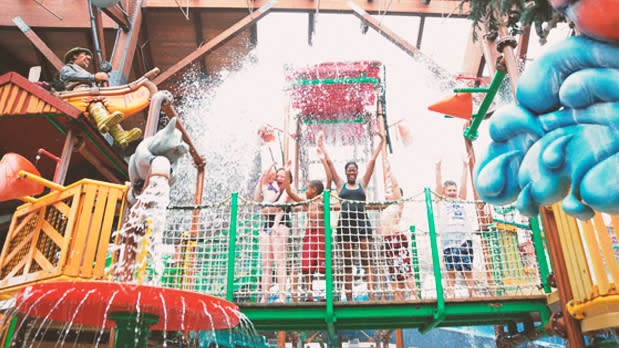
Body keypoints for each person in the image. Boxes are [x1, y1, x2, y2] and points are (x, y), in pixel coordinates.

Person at [318, 132, 385, 302]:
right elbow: (331, 164)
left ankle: (371, 297)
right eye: (349, 170)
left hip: (362, 224)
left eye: (354, 170)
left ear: (357, 171)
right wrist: (321, 146)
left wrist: (381, 141)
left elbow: (371, 162)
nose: (352, 172)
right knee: (348, 264)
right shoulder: (340, 184)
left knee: (367, 261)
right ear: (346, 173)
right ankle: (348, 299)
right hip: (346, 225)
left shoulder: (362, 183)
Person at [57, 47, 142, 147]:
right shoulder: (68, 68)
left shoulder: (84, 72)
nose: (88, 58)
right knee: (95, 104)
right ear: (75, 56)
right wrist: (94, 77)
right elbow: (67, 76)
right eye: (85, 54)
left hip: (89, 93)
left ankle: (120, 134)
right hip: (78, 93)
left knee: (104, 110)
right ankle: (103, 121)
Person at [282, 146, 331, 301]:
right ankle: (310, 294)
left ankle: (328, 294)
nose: (305, 189)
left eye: (308, 187)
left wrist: (323, 159)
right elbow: (289, 192)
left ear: (315, 190)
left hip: (322, 232)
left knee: (324, 266)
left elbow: (329, 179)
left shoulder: (323, 199)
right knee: (307, 265)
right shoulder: (307, 202)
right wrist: (287, 172)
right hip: (310, 232)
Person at [434, 157, 475, 298]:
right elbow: (438, 188)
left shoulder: (460, 200)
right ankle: (450, 294)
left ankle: (472, 293)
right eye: (449, 190)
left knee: (467, 269)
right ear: (445, 192)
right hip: (449, 240)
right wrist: (438, 167)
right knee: (450, 270)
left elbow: (464, 188)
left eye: (454, 190)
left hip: (464, 238)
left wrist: (465, 166)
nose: (452, 192)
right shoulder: (442, 201)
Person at [378, 158, 417, 301]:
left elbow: (395, 185)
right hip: (388, 241)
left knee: (405, 268)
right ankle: (400, 296)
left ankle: (413, 293)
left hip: (396, 239)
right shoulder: (386, 208)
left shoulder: (398, 205)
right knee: (395, 271)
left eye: (390, 192)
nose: (387, 193)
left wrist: (389, 170)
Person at [254, 163, 293, 303]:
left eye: (282, 176)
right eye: (277, 175)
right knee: (266, 264)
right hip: (267, 226)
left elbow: (277, 207)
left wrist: (264, 210)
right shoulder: (272, 189)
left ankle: (282, 297)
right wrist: (262, 180)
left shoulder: (289, 190)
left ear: (288, 179)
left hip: (281, 225)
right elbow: (257, 200)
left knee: (279, 261)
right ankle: (264, 297)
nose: (278, 178)